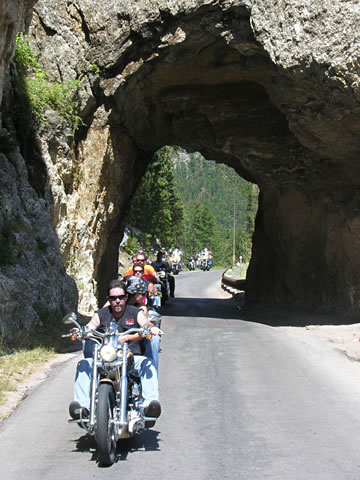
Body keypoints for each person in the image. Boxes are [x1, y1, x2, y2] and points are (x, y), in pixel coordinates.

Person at [69, 279, 161, 423]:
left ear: (126, 297)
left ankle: (149, 405)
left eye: (120, 297)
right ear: (109, 299)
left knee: (147, 363)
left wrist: (150, 328)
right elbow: (90, 326)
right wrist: (80, 331)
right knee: (84, 364)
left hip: (130, 357)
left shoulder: (135, 312)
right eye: (113, 298)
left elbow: (145, 323)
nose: (117, 301)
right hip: (106, 358)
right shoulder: (102, 314)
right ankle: (82, 406)